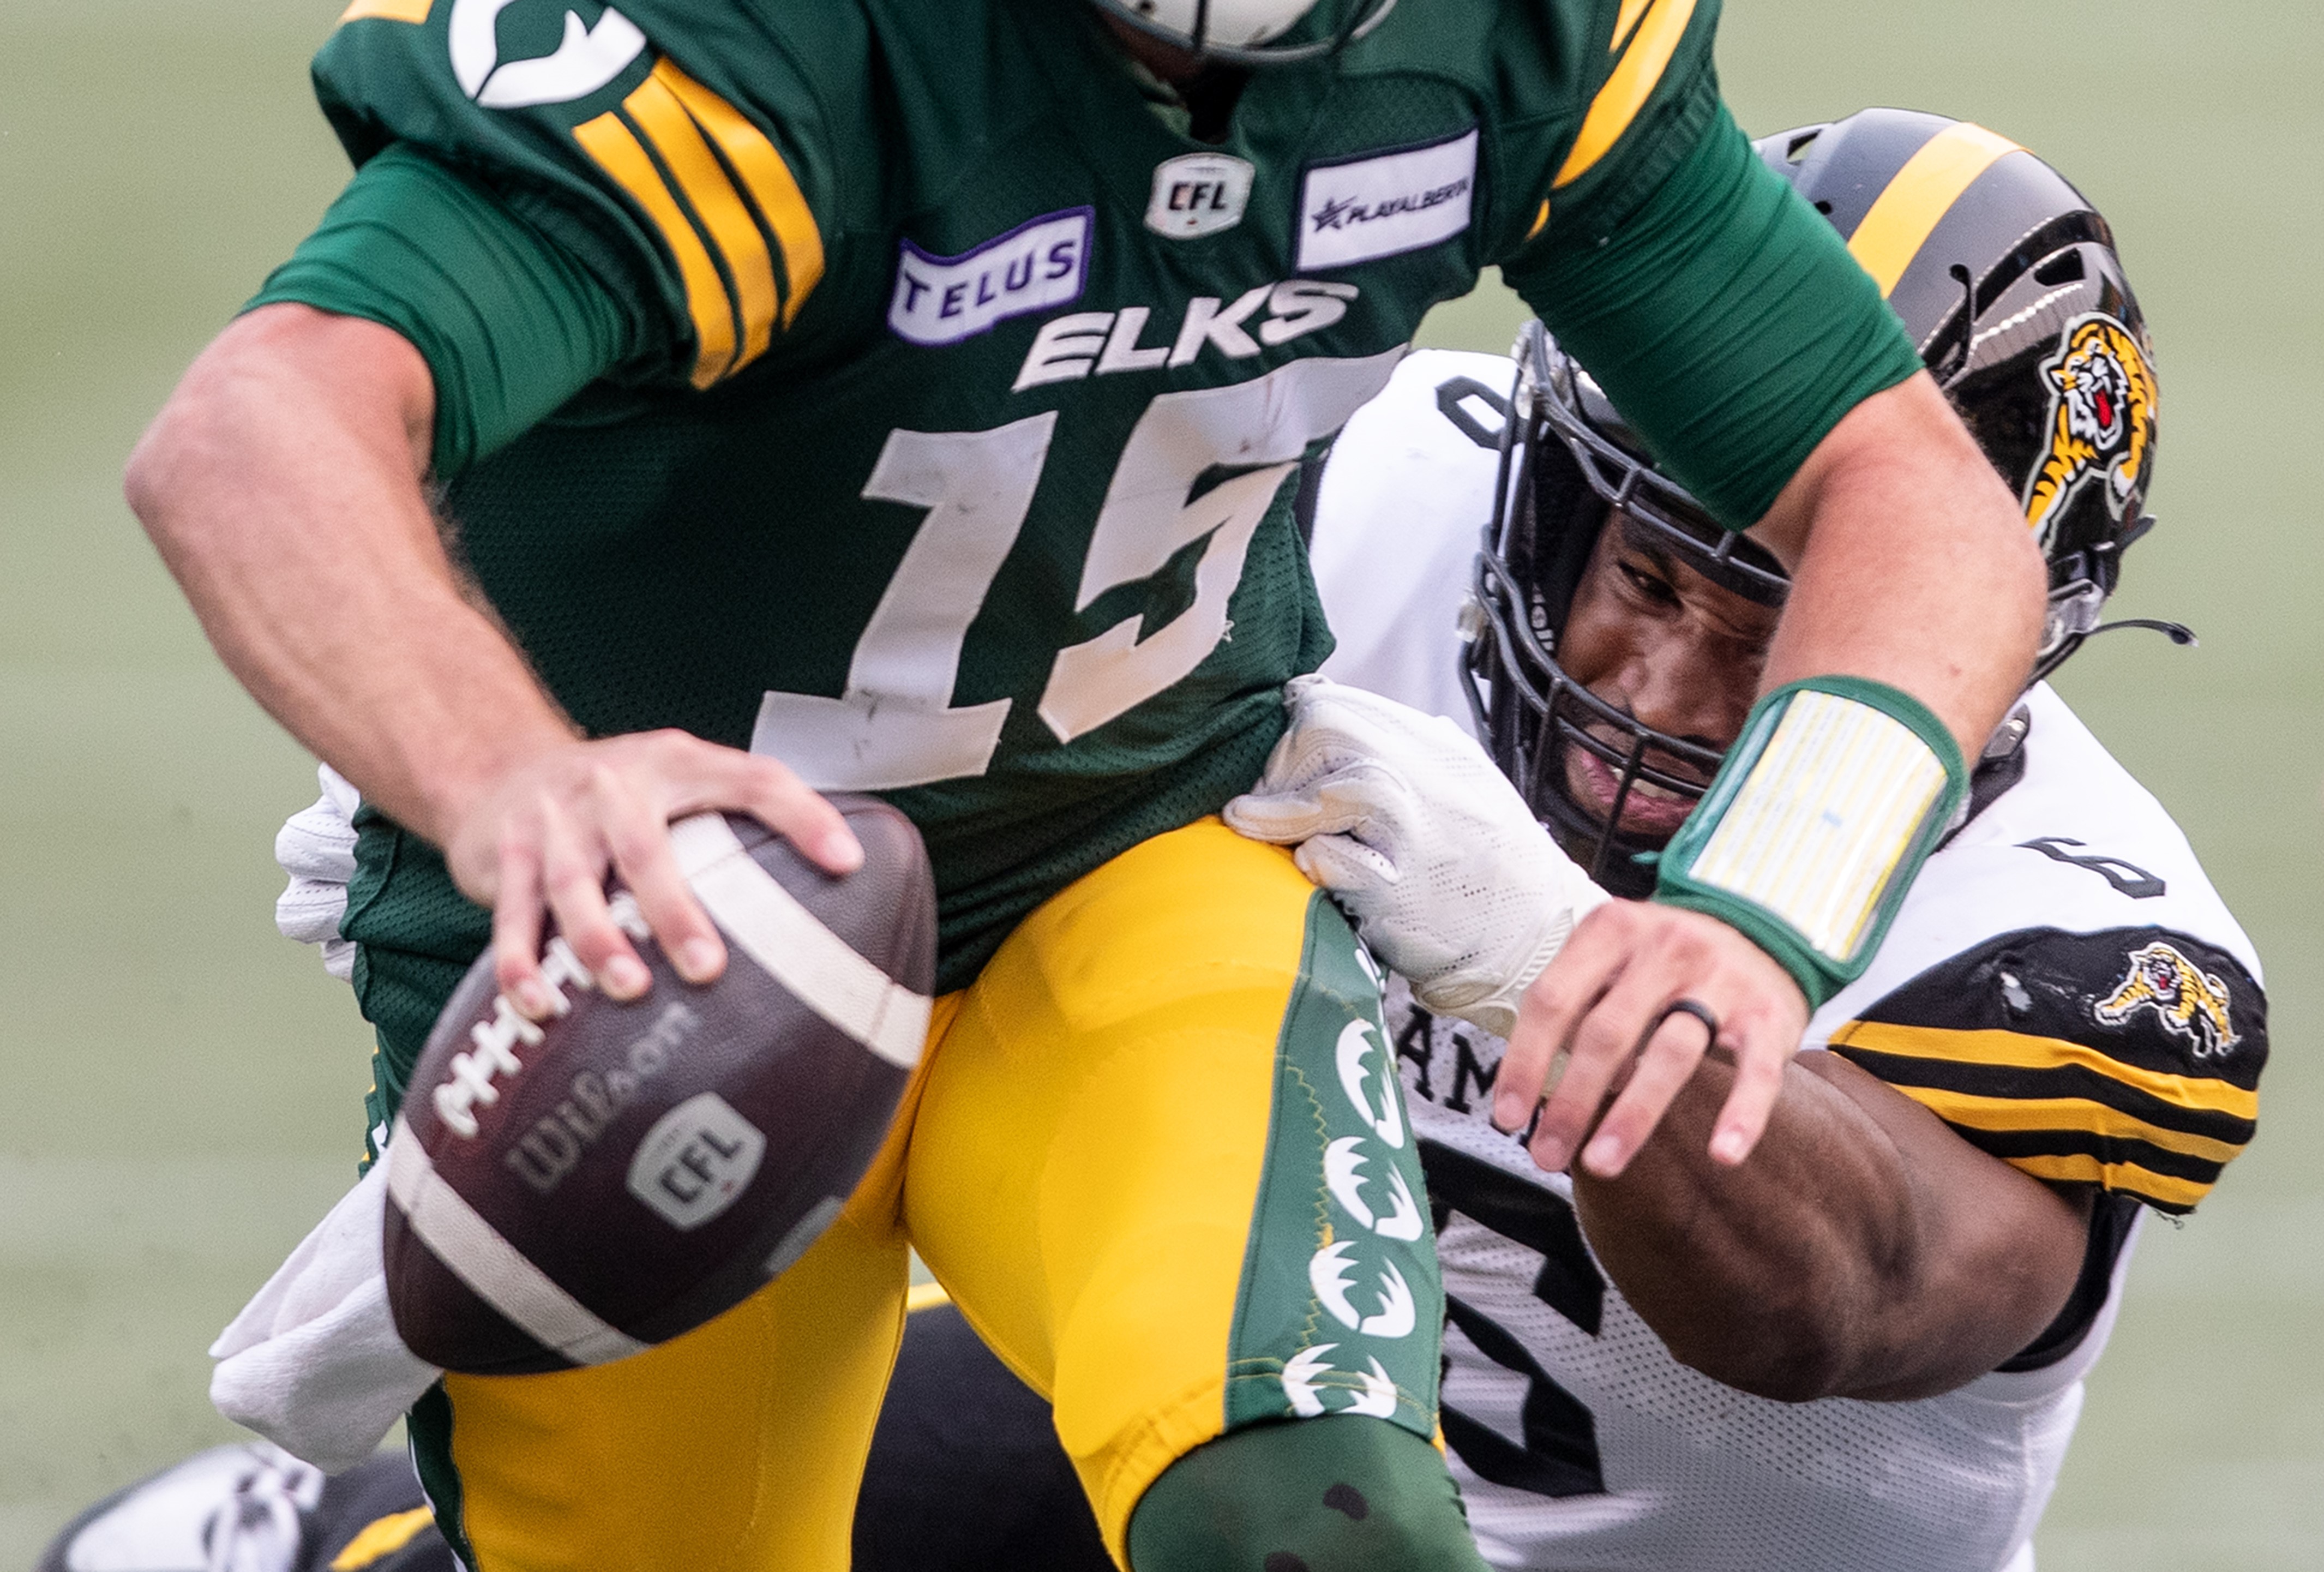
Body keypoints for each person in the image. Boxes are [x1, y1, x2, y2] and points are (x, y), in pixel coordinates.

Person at [122, 0, 2051, 1560]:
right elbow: (260, 417)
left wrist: (1759, 909)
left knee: (1318, 1518)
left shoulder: (1500, 41)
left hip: (1127, 854)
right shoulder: (766, 55)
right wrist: (495, 773)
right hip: (678, 955)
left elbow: (1906, 487)